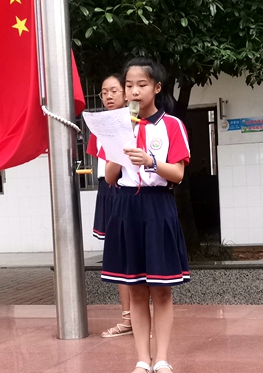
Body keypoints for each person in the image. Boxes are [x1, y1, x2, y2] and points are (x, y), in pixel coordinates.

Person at [102, 58, 190, 373]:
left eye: (141, 85)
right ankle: (142, 359)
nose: (134, 91)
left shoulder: (172, 126)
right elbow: (111, 177)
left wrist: (150, 161)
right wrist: (120, 145)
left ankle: (162, 358)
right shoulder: (116, 127)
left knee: (161, 289)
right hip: (125, 208)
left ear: (156, 87)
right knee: (136, 288)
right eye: (129, 86)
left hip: (158, 206)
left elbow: (177, 174)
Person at [86, 74, 136, 338]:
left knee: (138, 255)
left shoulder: (137, 122)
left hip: (133, 189)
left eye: (114, 90)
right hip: (109, 189)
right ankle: (127, 318)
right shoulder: (99, 125)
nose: (108, 96)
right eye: (104, 92)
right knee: (118, 258)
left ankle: (143, 318)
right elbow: (104, 166)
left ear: (126, 94)